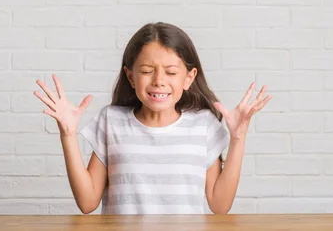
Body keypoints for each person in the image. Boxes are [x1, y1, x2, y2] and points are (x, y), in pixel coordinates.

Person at [33, 22, 271, 215]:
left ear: (189, 78)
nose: (158, 80)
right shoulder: (111, 121)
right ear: (131, 76)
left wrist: (238, 138)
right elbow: (87, 203)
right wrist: (68, 135)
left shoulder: (203, 124)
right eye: (147, 71)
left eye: (171, 72)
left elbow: (220, 206)